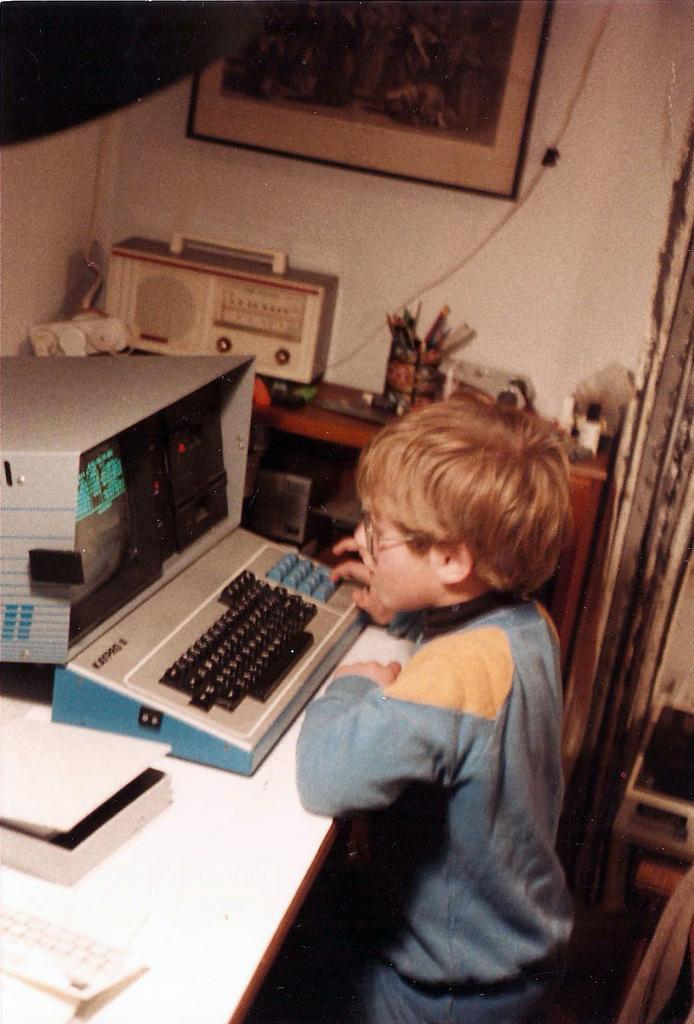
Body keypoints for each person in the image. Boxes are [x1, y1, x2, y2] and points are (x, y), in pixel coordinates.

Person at [295, 394, 574, 1024]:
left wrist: (353, 683)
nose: (362, 539)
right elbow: (473, 635)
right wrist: (405, 605)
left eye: (380, 531)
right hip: (513, 954)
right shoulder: (532, 625)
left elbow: (325, 778)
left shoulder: (448, 679)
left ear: (452, 559)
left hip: (444, 992)